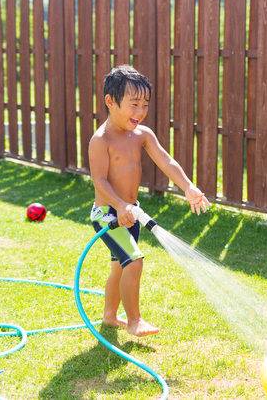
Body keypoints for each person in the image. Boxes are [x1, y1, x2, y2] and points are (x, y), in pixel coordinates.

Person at [89, 65, 210, 337]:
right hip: (108, 214)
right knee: (134, 261)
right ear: (110, 101)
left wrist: (188, 187)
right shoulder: (101, 139)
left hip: (131, 213)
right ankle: (134, 320)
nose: (140, 111)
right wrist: (119, 206)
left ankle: (109, 316)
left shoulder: (142, 134)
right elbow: (99, 181)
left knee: (119, 267)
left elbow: (166, 160)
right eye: (133, 104)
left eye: (144, 105)